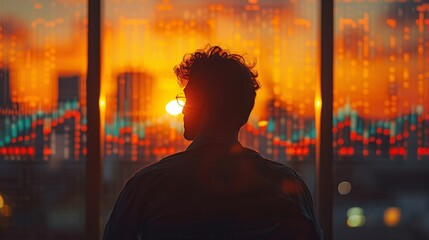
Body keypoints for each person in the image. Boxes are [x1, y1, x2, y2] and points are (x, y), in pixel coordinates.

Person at [104, 46, 323, 239]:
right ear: (244, 115)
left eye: (187, 99)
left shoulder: (147, 186)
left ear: (199, 105)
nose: (182, 109)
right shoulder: (286, 186)